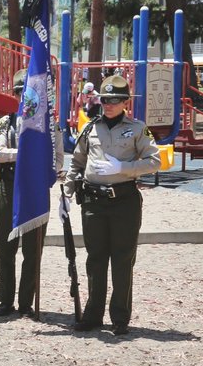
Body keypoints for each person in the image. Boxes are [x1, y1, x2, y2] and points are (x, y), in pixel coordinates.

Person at [65, 75, 160, 335]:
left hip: (123, 201)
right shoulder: (90, 128)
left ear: (125, 102)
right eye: (105, 100)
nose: (109, 105)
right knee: (95, 259)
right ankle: (93, 315)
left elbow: (154, 162)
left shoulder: (138, 129)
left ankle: (120, 316)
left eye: (115, 100)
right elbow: (77, 163)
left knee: (122, 259)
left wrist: (123, 168)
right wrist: (67, 192)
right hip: (93, 202)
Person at [0, 69, 66, 317]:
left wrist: (41, 164)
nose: (25, 98)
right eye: (20, 93)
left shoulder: (49, 124)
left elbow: (58, 160)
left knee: (33, 251)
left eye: (29, 94)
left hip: (35, 189)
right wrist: (26, 154)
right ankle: (5, 300)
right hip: (10, 187)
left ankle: (26, 302)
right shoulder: (7, 122)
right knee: (6, 247)